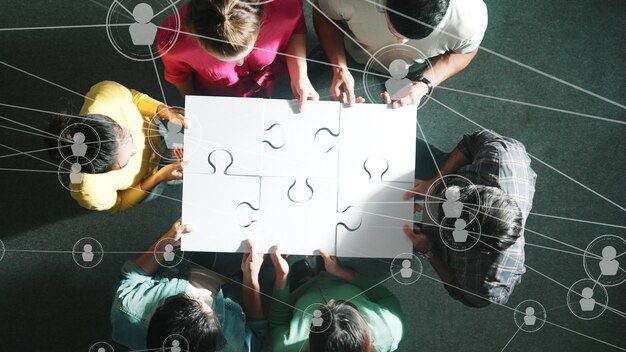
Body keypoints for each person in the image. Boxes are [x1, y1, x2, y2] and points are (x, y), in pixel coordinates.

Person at [403, 130, 537, 307]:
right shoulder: (500, 157)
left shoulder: (487, 285)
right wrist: (434, 184)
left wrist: (428, 250)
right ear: (480, 188)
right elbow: (470, 143)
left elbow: (460, 291)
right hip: (449, 177)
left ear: (481, 251)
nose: (435, 206)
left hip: (432, 242)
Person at [110, 219, 268, 352]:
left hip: (181, 263)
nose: (200, 298)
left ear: (161, 310)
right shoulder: (235, 346)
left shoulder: (127, 308)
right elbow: (258, 332)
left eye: (189, 299)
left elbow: (131, 275)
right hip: (232, 281)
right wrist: (251, 277)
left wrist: (167, 241)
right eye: (210, 314)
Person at [313, 0, 487, 107]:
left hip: (414, 68)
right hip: (351, 51)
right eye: (396, 31)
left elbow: (466, 52)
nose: (401, 42)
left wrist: (423, 84)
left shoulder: (471, 17)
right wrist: (339, 67)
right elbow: (322, 13)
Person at [46, 81, 186, 212]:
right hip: (147, 180)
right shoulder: (89, 191)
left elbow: (133, 98)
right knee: (178, 178)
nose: (137, 149)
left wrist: (162, 110)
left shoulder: (105, 96)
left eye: (128, 135)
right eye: (122, 165)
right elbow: (121, 202)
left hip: (155, 131)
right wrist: (159, 177)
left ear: (112, 122)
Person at [157, 0, 318, 111]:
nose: (240, 63)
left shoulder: (284, 7)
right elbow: (179, 75)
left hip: (270, 80)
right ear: (194, 37)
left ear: (261, 20)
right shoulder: (172, 42)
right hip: (217, 94)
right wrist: (195, 105)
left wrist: (300, 75)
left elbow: (296, 28)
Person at [269, 246, 404, 351]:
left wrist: (282, 277)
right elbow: (385, 297)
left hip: (302, 290)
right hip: (342, 279)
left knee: (299, 271)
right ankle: (329, 269)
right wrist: (341, 272)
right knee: (330, 251)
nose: (331, 301)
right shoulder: (390, 329)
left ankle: (306, 279)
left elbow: (278, 323)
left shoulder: (286, 347)